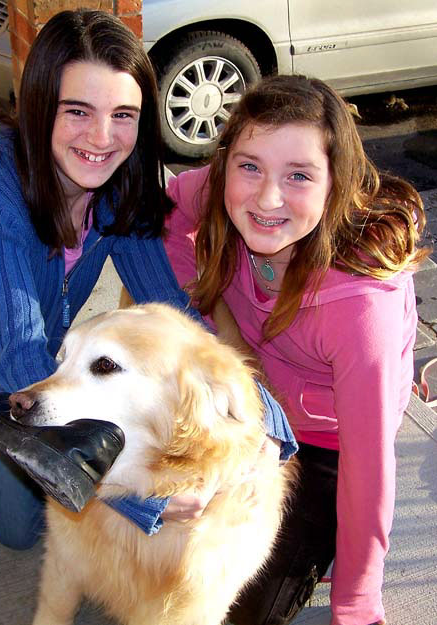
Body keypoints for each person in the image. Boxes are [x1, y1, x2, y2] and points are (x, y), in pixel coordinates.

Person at [0, 10, 295, 550]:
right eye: (77, 110)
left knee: (56, 493)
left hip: (43, 353)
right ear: (38, 108)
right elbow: (19, 362)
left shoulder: (120, 176)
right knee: (22, 529)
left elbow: (174, 311)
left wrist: (262, 421)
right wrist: (132, 496)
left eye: (123, 114)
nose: (102, 138)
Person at [160, 75, 429, 625]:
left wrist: (356, 605)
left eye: (299, 175)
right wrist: (212, 317)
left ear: (335, 183)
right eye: (249, 165)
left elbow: (368, 462)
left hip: (323, 440)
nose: (266, 197)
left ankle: (318, 543)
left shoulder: (359, 306)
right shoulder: (221, 191)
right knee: (169, 563)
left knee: (238, 607)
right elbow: (168, 215)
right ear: (226, 161)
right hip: (246, 400)